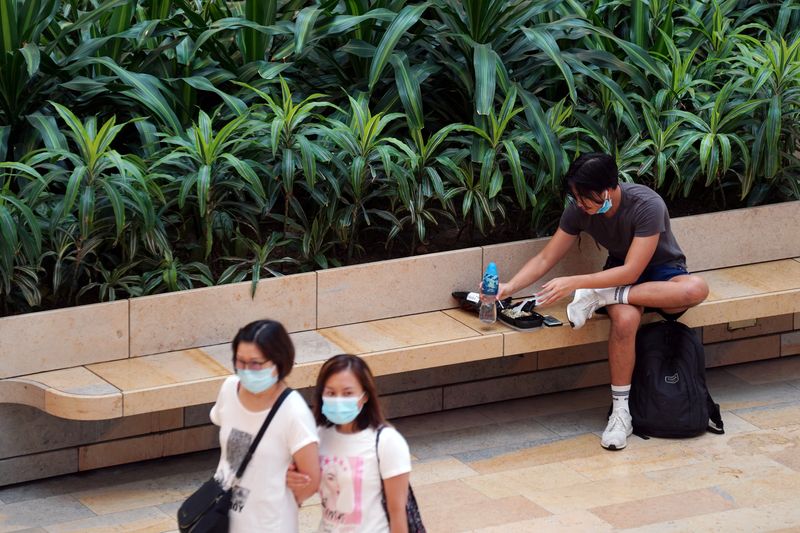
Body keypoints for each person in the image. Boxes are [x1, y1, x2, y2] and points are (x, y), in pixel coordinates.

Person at [496, 153, 709, 451]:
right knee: (625, 320)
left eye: (585, 198)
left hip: (661, 273)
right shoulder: (579, 209)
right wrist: (508, 287)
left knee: (695, 289)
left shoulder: (647, 205)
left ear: (608, 189)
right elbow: (546, 257)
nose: (580, 204)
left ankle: (601, 296)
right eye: (576, 197)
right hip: (620, 276)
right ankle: (621, 415)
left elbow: (635, 270)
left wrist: (577, 283)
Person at [210, 319, 320, 531]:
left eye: (256, 363)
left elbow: (311, 479)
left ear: (278, 362)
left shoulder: (293, 411)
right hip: (221, 518)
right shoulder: (229, 388)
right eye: (240, 361)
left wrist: (283, 501)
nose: (246, 369)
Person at [287, 354, 412, 533]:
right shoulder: (318, 437)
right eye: (331, 393)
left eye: (347, 393)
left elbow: (398, 513)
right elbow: (301, 493)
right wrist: (292, 479)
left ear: (365, 396)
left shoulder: (387, 442)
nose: (338, 400)